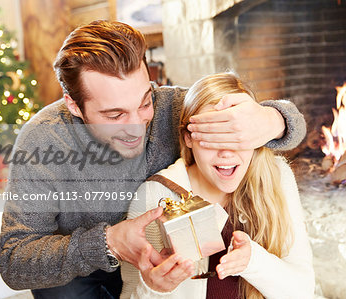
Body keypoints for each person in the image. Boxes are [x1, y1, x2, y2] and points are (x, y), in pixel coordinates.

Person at [0, 21, 307, 299]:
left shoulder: (173, 108)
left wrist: (271, 119)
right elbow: (13, 260)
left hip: (160, 269)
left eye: (144, 102)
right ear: (74, 105)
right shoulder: (42, 140)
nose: (136, 127)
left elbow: (292, 127)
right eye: (114, 114)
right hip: (74, 274)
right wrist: (109, 242)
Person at [121, 72, 314, 299]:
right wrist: (154, 288)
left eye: (235, 136)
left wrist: (253, 261)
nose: (226, 153)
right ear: (188, 138)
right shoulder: (156, 196)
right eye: (212, 137)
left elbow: (303, 291)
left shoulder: (276, 177)